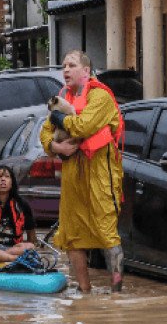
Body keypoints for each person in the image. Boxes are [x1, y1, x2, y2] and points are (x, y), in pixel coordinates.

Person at [39, 50, 125, 292]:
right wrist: (57, 147)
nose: (65, 69)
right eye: (64, 65)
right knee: (72, 234)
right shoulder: (64, 97)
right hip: (72, 175)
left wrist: (58, 118)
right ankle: (85, 291)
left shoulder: (100, 97)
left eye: (72, 65)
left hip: (100, 175)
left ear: (86, 71)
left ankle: (116, 294)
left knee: (107, 233)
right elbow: (44, 133)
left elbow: (83, 126)